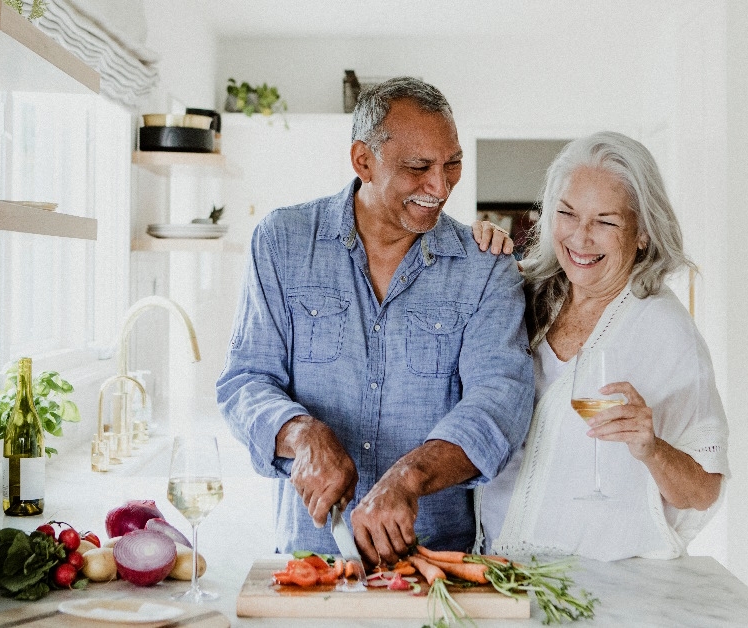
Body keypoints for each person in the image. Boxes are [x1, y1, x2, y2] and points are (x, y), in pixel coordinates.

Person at [216, 77, 534, 565]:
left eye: (452, 165)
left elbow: (499, 403)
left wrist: (409, 477)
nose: (441, 187)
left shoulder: (486, 265)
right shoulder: (282, 242)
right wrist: (301, 433)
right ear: (363, 161)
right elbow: (245, 380)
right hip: (310, 559)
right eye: (418, 168)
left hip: (435, 563)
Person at [473, 131, 729, 561]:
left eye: (605, 221)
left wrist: (652, 448)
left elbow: (702, 491)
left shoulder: (665, 332)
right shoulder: (524, 294)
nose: (580, 237)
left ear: (642, 232)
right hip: (494, 567)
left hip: (599, 585)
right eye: (567, 214)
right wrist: (475, 252)